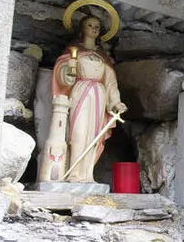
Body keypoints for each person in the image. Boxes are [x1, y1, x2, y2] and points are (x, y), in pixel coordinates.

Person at [50, 14, 127, 184]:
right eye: (90, 25)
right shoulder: (73, 52)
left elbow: (110, 84)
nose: (94, 29)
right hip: (81, 92)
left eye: (97, 26)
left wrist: (115, 103)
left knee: (94, 135)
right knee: (78, 132)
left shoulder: (103, 57)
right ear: (82, 28)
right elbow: (62, 72)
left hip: (99, 96)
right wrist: (68, 73)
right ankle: (73, 174)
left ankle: (87, 175)